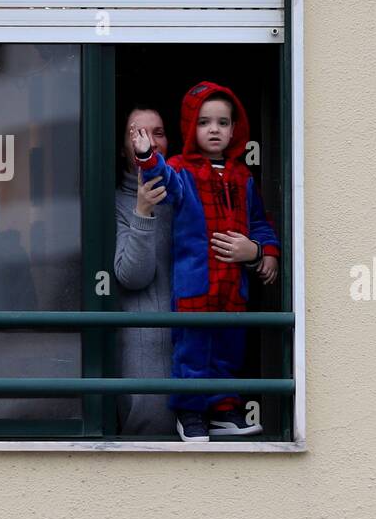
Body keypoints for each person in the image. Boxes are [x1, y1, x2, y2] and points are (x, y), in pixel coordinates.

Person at [130, 81, 279, 441]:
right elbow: (163, 181)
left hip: (233, 288)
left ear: (234, 130)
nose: (214, 129)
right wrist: (148, 155)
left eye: (223, 123)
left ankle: (224, 409)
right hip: (196, 285)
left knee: (228, 350)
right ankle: (190, 412)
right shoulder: (182, 169)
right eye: (204, 122)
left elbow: (259, 222)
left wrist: (265, 252)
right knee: (192, 352)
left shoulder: (243, 176)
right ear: (190, 127)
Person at [113, 105, 177, 435]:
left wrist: (256, 253)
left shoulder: (186, 194)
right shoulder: (115, 203)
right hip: (146, 356)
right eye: (137, 133)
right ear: (123, 148)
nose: (148, 141)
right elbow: (132, 276)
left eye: (158, 132)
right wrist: (143, 211)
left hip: (195, 349)